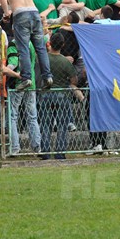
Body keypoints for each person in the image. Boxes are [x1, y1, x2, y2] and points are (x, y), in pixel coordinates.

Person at [0, 0, 52, 89]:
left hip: (20, 14)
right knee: (40, 48)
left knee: (23, 48)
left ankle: (26, 78)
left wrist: (6, 12)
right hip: (34, 12)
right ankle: (48, 77)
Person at [39, 32, 78, 160]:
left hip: (46, 94)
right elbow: (74, 80)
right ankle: (60, 152)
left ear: (49, 42)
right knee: (62, 125)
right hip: (62, 95)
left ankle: (45, 151)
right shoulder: (65, 62)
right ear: (62, 44)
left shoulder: (44, 60)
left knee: (45, 124)